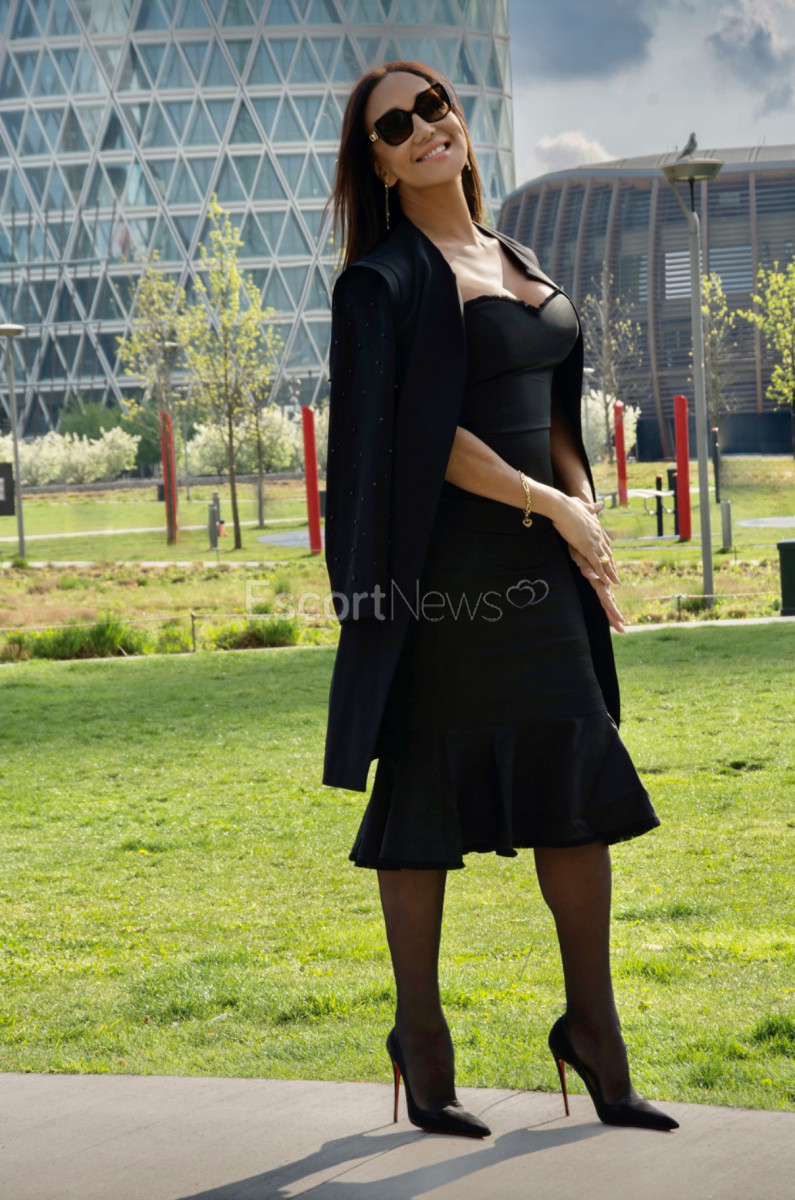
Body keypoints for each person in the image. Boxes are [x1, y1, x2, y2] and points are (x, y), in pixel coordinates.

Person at [323, 61, 678, 1139]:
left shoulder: (517, 257)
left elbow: (552, 410)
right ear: (380, 164)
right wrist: (548, 505)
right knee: (423, 802)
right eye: (396, 124)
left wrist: (585, 521)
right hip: (445, 587)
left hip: (542, 581)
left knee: (575, 783)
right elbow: (416, 438)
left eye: (434, 106)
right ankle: (422, 1040)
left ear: (459, 119)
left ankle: (595, 1035)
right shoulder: (383, 284)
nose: (424, 127)